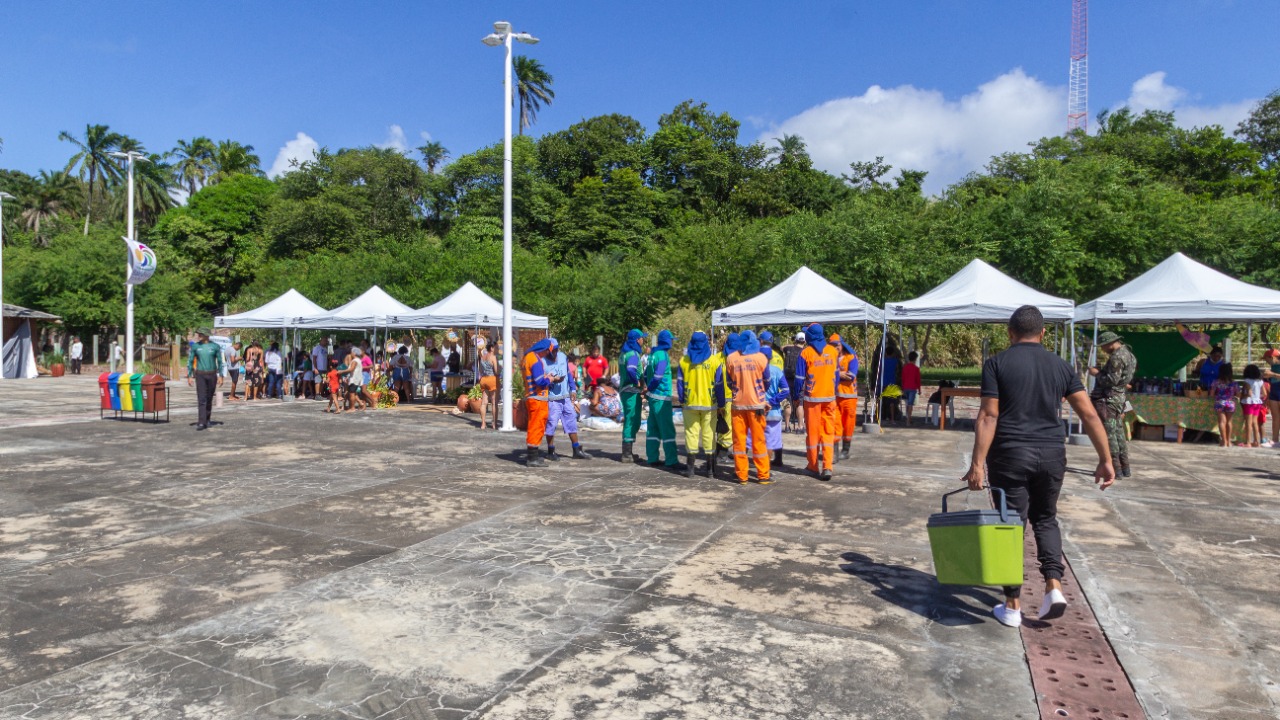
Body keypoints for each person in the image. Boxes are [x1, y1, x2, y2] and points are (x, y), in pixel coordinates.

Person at [963, 305, 1114, 629]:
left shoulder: (997, 363)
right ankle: (1053, 586)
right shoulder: (1060, 365)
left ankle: (1013, 606)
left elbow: (989, 415)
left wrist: (976, 465)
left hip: (1009, 455)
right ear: (1043, 333)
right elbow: (1088, 414)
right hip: (1051, 455)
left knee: (1010, 526)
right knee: (1045, 519)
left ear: (1010, 333)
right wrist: (1105, 459)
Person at [1088, 331, 1137, 478]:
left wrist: (1096, 373)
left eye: (1103, 346)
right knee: (1118, 432)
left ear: (1111, 343)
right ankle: (1124, 467)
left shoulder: (1117, 357)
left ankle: (1115, 468)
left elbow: (1111, 380)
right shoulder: (1129, 354)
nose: (1103, 349)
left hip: (1108, 399)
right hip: (1119, 397)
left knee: (1109, 434)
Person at [725, 330, 771, 484]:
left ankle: (742, 476)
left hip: (738, 406)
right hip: (757, 406)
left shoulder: (731, 358)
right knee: (759, 441)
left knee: (739, 442)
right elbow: (768, 381)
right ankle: (763, 476)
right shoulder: (761, 358)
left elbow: (729, 382)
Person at [795, 324, 839, 480]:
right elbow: (837, 375)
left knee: (813, 435)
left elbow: (799, 379)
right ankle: (827, 467)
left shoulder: (805, 353)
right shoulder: (833, 352)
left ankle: (813, 466)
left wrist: (796, 397)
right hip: (829, 398)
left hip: (812, 400)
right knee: (828, 433)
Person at [677, 331, 722, 477]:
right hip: (710, 405)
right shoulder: (715, 361)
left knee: (691, 434)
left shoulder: (684, 361)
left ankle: (690, 469)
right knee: (709, 435)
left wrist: (682, 400)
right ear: (707, 342)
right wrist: (721, 403)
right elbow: (720, 384)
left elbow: (679, 384)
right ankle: (710, 470)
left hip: (690, 404)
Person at [544, 338, 592, 460]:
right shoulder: (543, 361)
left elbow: (568, 374)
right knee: (551, 424)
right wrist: (552, 381)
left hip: (565, 398)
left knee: (571, 422)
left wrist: (573, 389)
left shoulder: (562, 356)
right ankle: (550, 451)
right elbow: (542, 382)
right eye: (553, 350)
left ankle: (576, 449)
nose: (555, 352)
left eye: (557, 349)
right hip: (552, 399)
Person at [644, 330, 685, 471]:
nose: (672, 342)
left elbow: (645, 374)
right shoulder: (662, 355)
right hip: (662, 397)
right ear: (667, 341)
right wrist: (650, 387)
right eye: (671, 340)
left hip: (653, 398)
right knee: (667, 429)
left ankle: (652, 458)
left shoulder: (652, 355)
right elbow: (658, 376)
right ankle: (671, 460)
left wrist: (648, 390)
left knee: (653, 429)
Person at [755, 346, 791, 468]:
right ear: (770, 357)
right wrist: (773, 401)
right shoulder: (777, 371)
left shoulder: (756, 371)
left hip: (759, 409)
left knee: (761, 439)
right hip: (774, 411)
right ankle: (778, 460)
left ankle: (763, 464)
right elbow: (786, 390)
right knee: (775, 438)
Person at [523, 338, 554, 466]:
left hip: (533, 397)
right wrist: (550, 379)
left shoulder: (528, 357)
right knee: (536, 426)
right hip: (537, 398)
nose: (547, 355)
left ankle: (533, 455)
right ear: (544, 350)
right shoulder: (535, 359)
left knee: (535, 426)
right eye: (547, 352)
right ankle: (532, 458)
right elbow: (539, 381)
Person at [186, 329, 225, 431]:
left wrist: (221, 375)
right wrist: (190, 375)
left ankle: (207, 419)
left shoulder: (215, 346)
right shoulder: (195, 346)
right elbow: (190, 361)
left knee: (209, 398)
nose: (199, 335)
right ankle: (201, 422)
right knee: (201, 398)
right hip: (200, 375)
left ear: (206, 335)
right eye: (198, 334)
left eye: (201, 334)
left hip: (212, 374)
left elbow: (220, 362)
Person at [619, 329, 647, 462]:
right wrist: (637, 382)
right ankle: (626, 454)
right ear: (637, 340)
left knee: (634, 420)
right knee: (631, 420)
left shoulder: (626, 352)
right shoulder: (632, 354)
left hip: (628, 391)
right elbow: (631, 370)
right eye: (642, 338)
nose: (643, 340)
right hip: (630, 391)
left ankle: (629, 451)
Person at [836, 338, 860, 460]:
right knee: (835, 424)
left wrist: (836, 375)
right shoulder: (830, 358)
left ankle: (845, 450)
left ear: (842, 345)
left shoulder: (851, 357)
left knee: (848, 424)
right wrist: (840, 374)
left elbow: (851, 376)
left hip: (849, 397)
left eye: (837, 345)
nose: (835, 347)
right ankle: (834, 452)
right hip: (835, 397)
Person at [1210, 364, 1238, 448]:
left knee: (1222, 422)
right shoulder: (1234, 383)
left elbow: (1211, 394)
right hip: (1230, 403)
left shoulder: (1216, 382)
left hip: (1220, 402)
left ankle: (1224, 441)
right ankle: (1229, 441)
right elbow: (1239, 394)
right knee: (1229, 422)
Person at [782, 332, 805, 433]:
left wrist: (793, 344)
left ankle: (787, 426)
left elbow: (782, 347)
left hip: (787, 380)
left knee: (787, 403)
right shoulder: (805, 351)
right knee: (799, 403)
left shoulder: (788, 349)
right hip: (799, 380)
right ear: (804, 341)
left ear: (795, 340)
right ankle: (800, 426)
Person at [1241, 364, 1266, 448]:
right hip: (1257, 402)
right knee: (1255, 422)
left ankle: (1248, 442)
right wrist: (1257, 397)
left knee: (1248, 423)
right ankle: (1256, 441)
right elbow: (1265, 394)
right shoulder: (1260, 381)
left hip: (1249, 403)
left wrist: (1242, 398)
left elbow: (1248, 392)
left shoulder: (1247, 381)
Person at [476, 339, 498, 429]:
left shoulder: (482, 357)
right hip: (492, 379)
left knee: (484, 403)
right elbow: (496, 371)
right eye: (496, 348)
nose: (497, 349)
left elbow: (480, 370)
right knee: (493, 403)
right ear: (492, 348)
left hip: (483, 379)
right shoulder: (493, 357)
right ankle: (494, 424)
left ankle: (483, 424)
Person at [1264, 349, 1280, 447]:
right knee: (1275, 417)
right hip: (1274, 390)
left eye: (1267, 359)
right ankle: (1275, 440)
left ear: (1272, 357)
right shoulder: (1273, 366)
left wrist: (1272, 374)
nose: (1266, 362)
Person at [902, 351, 922, 425]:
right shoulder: (916, 369)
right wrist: (919, 389)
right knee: (910, 404)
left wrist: (902, 388)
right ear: (915, 359)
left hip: (905, 387)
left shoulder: (905, 367)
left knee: (907, 404)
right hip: (912, 388)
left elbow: (903, 379)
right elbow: (918, 380)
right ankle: (908, 420)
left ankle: (908, 418)